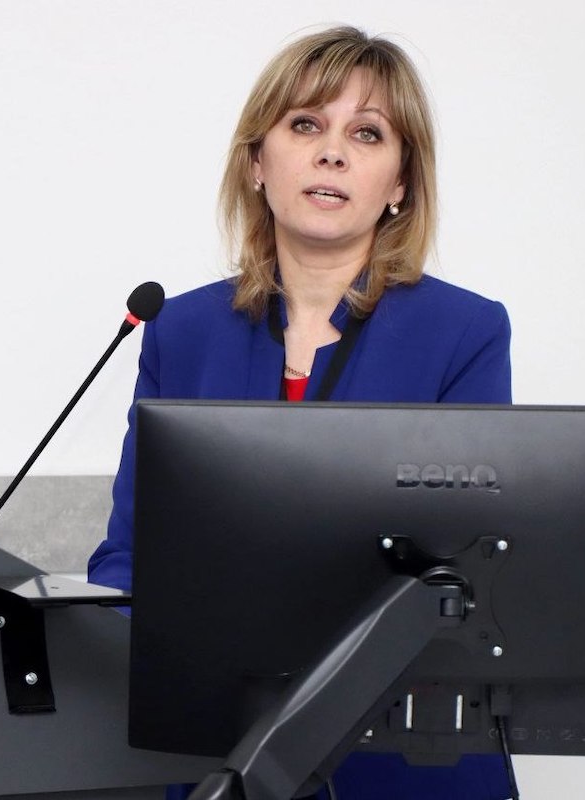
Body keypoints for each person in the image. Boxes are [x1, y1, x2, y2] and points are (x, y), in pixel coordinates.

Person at [89, 25, 512, 800]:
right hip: (212, 745)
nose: (332, 153)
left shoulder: (465, 331)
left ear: (400, 183)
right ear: (257, 163)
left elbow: (469, 576)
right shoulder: (181, 330)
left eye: (367, 133)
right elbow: (129, 558)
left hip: (403, 754)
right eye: (306, 124)